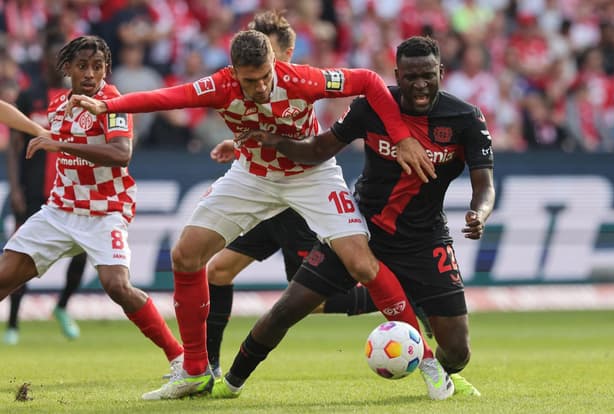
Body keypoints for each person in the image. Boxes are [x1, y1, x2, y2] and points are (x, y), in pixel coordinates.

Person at [67, 29, 446, 400]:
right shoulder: (220, 86)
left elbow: (368, 80)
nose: (261, 86)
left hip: (311, 177)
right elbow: (168, 97)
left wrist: (402, 138)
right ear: (234, 72)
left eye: (266, 76)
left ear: (274, 64)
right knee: (186, 254)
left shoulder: (302, 79)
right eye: (251, 81)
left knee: (362, 263)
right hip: (253, 176)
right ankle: (195, 370)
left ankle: (428, 362)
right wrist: (109, 106)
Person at [217, 35, 494, 399]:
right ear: (397, 74)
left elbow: (484, 184)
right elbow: (320, 149)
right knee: (287, 309)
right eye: (410, 76)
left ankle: (440, 371)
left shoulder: (466, 119)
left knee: (458, 351)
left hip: (425, 240)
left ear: (440, 72)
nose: (419, 84)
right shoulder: (372, 106)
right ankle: (230, 383)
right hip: (359, 231)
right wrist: (277, 141)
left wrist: (479, 212)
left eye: (428, 75)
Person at [204, 9, 379, 379]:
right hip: (264, 198)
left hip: (296, 201)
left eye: (268, 54)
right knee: (217, 270)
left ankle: (392, 297)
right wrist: (239, 149)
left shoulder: (299, 86)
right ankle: (209, 365)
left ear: (285, 55)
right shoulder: (253, 89)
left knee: (308, 301)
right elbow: (260, 132)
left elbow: (294, 139)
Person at [0, 35, 185, 374]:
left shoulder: (113, 103)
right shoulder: (58, 106)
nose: (90, 74)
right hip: (60, 210)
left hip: (105, 211)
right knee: (4, 278)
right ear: (67, 68)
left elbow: (121, 154)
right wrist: (50, 136)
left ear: (106, 70)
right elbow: (13, 115)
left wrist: (61, 146)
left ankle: (181, 359)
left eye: (97, 67)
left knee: (117, 286)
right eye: (82, 66)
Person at [3, 33, 87, 346]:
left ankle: (62, 306)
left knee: (83, 253)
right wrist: (15, 187)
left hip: (70, 192)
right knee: (21, 258)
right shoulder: (31, 95)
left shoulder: (80, 99)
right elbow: (14, 145)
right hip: (34, 190)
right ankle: (13, 324)